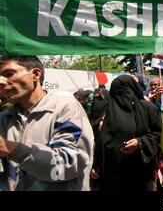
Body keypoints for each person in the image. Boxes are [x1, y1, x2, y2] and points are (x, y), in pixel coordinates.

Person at [0, 56, 94, 191]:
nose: (1, 82)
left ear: (35, 74)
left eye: (9, 74)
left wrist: (13, 149)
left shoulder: (65, 108)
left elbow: (68, 164)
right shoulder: (5, 117)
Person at [94, 75, 161, 191]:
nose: (121, 95)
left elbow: (160, 134)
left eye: (124, 90)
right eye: (116, 91)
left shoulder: (147, 109)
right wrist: (96, 165)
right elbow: (100, 141)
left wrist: (139, 142)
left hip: (140, 174)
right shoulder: (107, 111)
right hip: (112, 176)